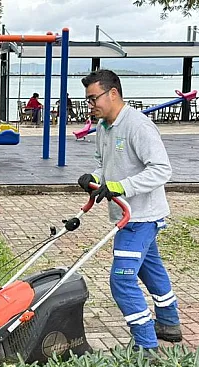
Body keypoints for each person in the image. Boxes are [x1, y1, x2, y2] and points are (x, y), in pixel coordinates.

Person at [76, 69, 182, 352]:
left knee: (121, 280)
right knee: (150, 268)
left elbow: (161, 170)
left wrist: (121, 187)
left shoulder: (138, 126)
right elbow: (105, 166)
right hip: (125, 213)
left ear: (113, 94)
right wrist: (94, 178)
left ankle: (146, 346)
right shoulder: (103, 128)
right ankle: (169, 322)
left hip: (141, 217)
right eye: (87, 100)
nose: (90, 105)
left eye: (93, 98)